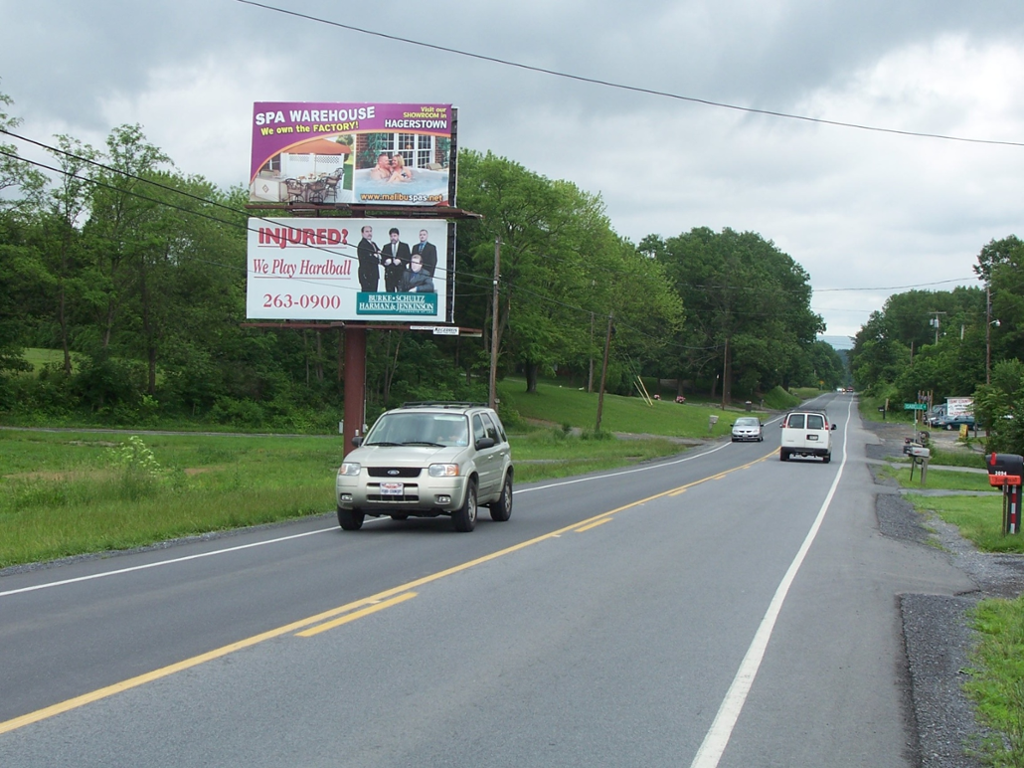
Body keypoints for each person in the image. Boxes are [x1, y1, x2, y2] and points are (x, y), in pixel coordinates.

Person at [381, 227, 411, 293]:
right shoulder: (386, 247)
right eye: (391, 236)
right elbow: (382, 260)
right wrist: (386, 262)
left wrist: (401, 261)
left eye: (395, 236)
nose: (393, 238)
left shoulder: (404, 246)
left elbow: (408, 258)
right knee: (390, 294)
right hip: (389, 275)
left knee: (402, 293)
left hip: (401, 274)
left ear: (398, 236)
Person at [357, 225, 381, 292]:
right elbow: (368, 258)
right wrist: (375, 256)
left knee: (373, 294)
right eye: (367, 231)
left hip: (374, 274)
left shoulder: (373, 244)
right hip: (366, 275)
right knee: (367, 295)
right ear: (362, 233)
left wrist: (376, 256)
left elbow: (380, 254)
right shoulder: (362, 244)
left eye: (370, 231)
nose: (369, 233)